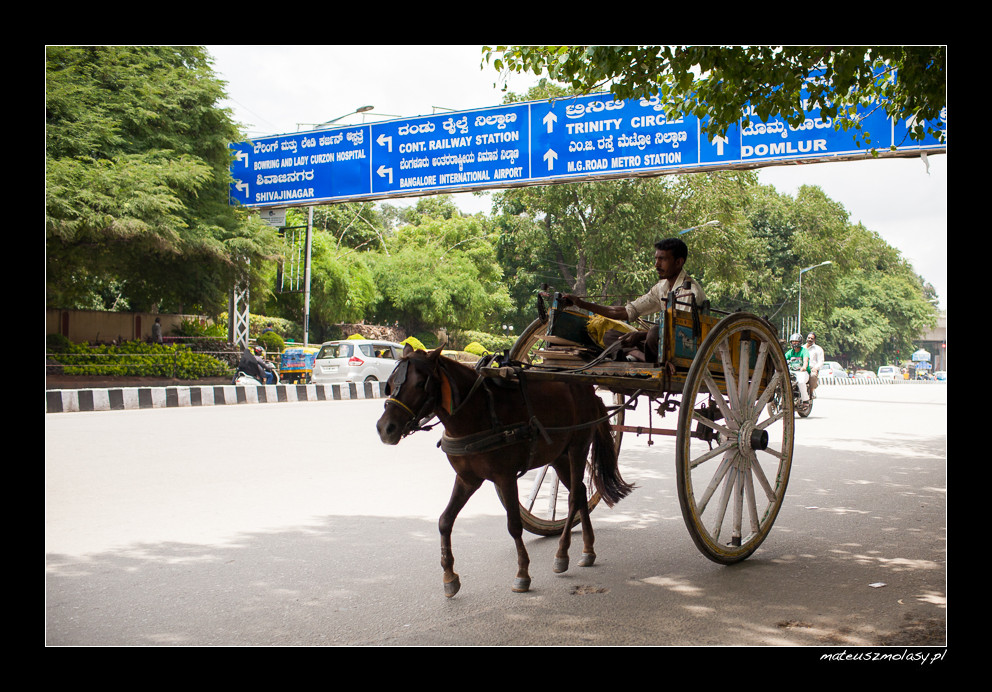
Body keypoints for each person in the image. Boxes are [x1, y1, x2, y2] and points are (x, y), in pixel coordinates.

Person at [561, 237, 705, 362]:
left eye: (662, 259)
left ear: (679, 262)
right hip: (658, 345)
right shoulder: (662, 287)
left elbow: (681, 333)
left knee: (654, 332)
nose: (656, 265)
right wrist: (580, 303)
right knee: (611, 335)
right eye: (656, 259)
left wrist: (641, 335)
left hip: (681, 349)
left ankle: (637, 356)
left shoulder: (690, 292)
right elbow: (625, 312)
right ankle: (638, 356)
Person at [784, 333, 811, 402]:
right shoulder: (790, 352)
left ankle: (805, 400)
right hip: (792, 372)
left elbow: (805, 360)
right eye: (793, 341)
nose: (794, 343)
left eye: (796, 341)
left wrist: (804, 367)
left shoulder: (804, 351)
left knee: (801, 382)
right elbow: (783, 359)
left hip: (802, 373)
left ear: (800, 342)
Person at [805, 332, 824, 397]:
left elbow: (821, 361)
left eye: (811, 338)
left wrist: (815, 368)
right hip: (802, 368)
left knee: (813, 376)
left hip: (811, 369)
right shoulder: (802, 348)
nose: (810, 339)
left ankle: (811, 392)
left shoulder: (818, 349)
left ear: (814, 340)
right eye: (808, 338)